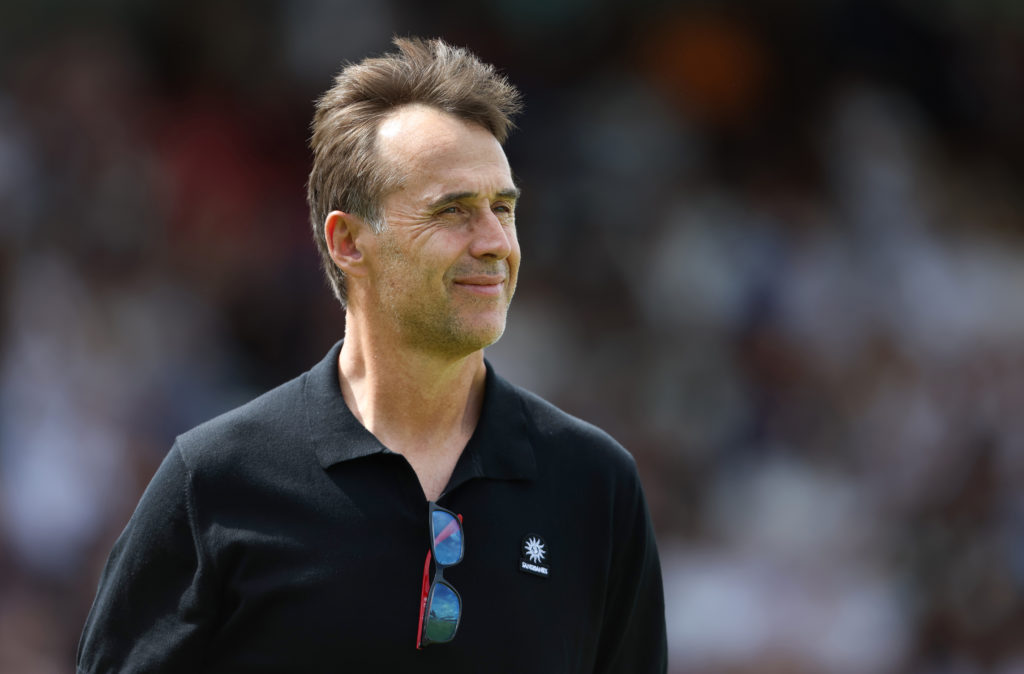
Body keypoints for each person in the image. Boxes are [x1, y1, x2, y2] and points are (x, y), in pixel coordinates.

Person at [77, 37, 667, 673]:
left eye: (504, 208)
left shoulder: (596, 486)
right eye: (454, 211)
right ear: (349, 242)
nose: (496, 242)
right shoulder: (214, 481)